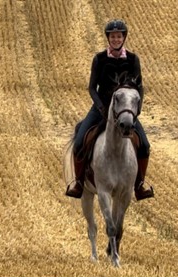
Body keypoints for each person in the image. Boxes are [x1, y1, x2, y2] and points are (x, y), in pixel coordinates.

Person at [65, 19, 154, 201]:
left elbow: (140, 87)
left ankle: (139, 185)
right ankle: (79, 183)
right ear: (108, 38)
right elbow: (91, 87)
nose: (115, 39)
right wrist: (99, 106)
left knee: (144, 145)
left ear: (123, 38)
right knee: (80, 140)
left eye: (118, 36)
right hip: (101, 108)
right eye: (112, 36)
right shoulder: (99, 59)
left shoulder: (132, 59)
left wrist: (137, 108)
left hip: (125, 111)